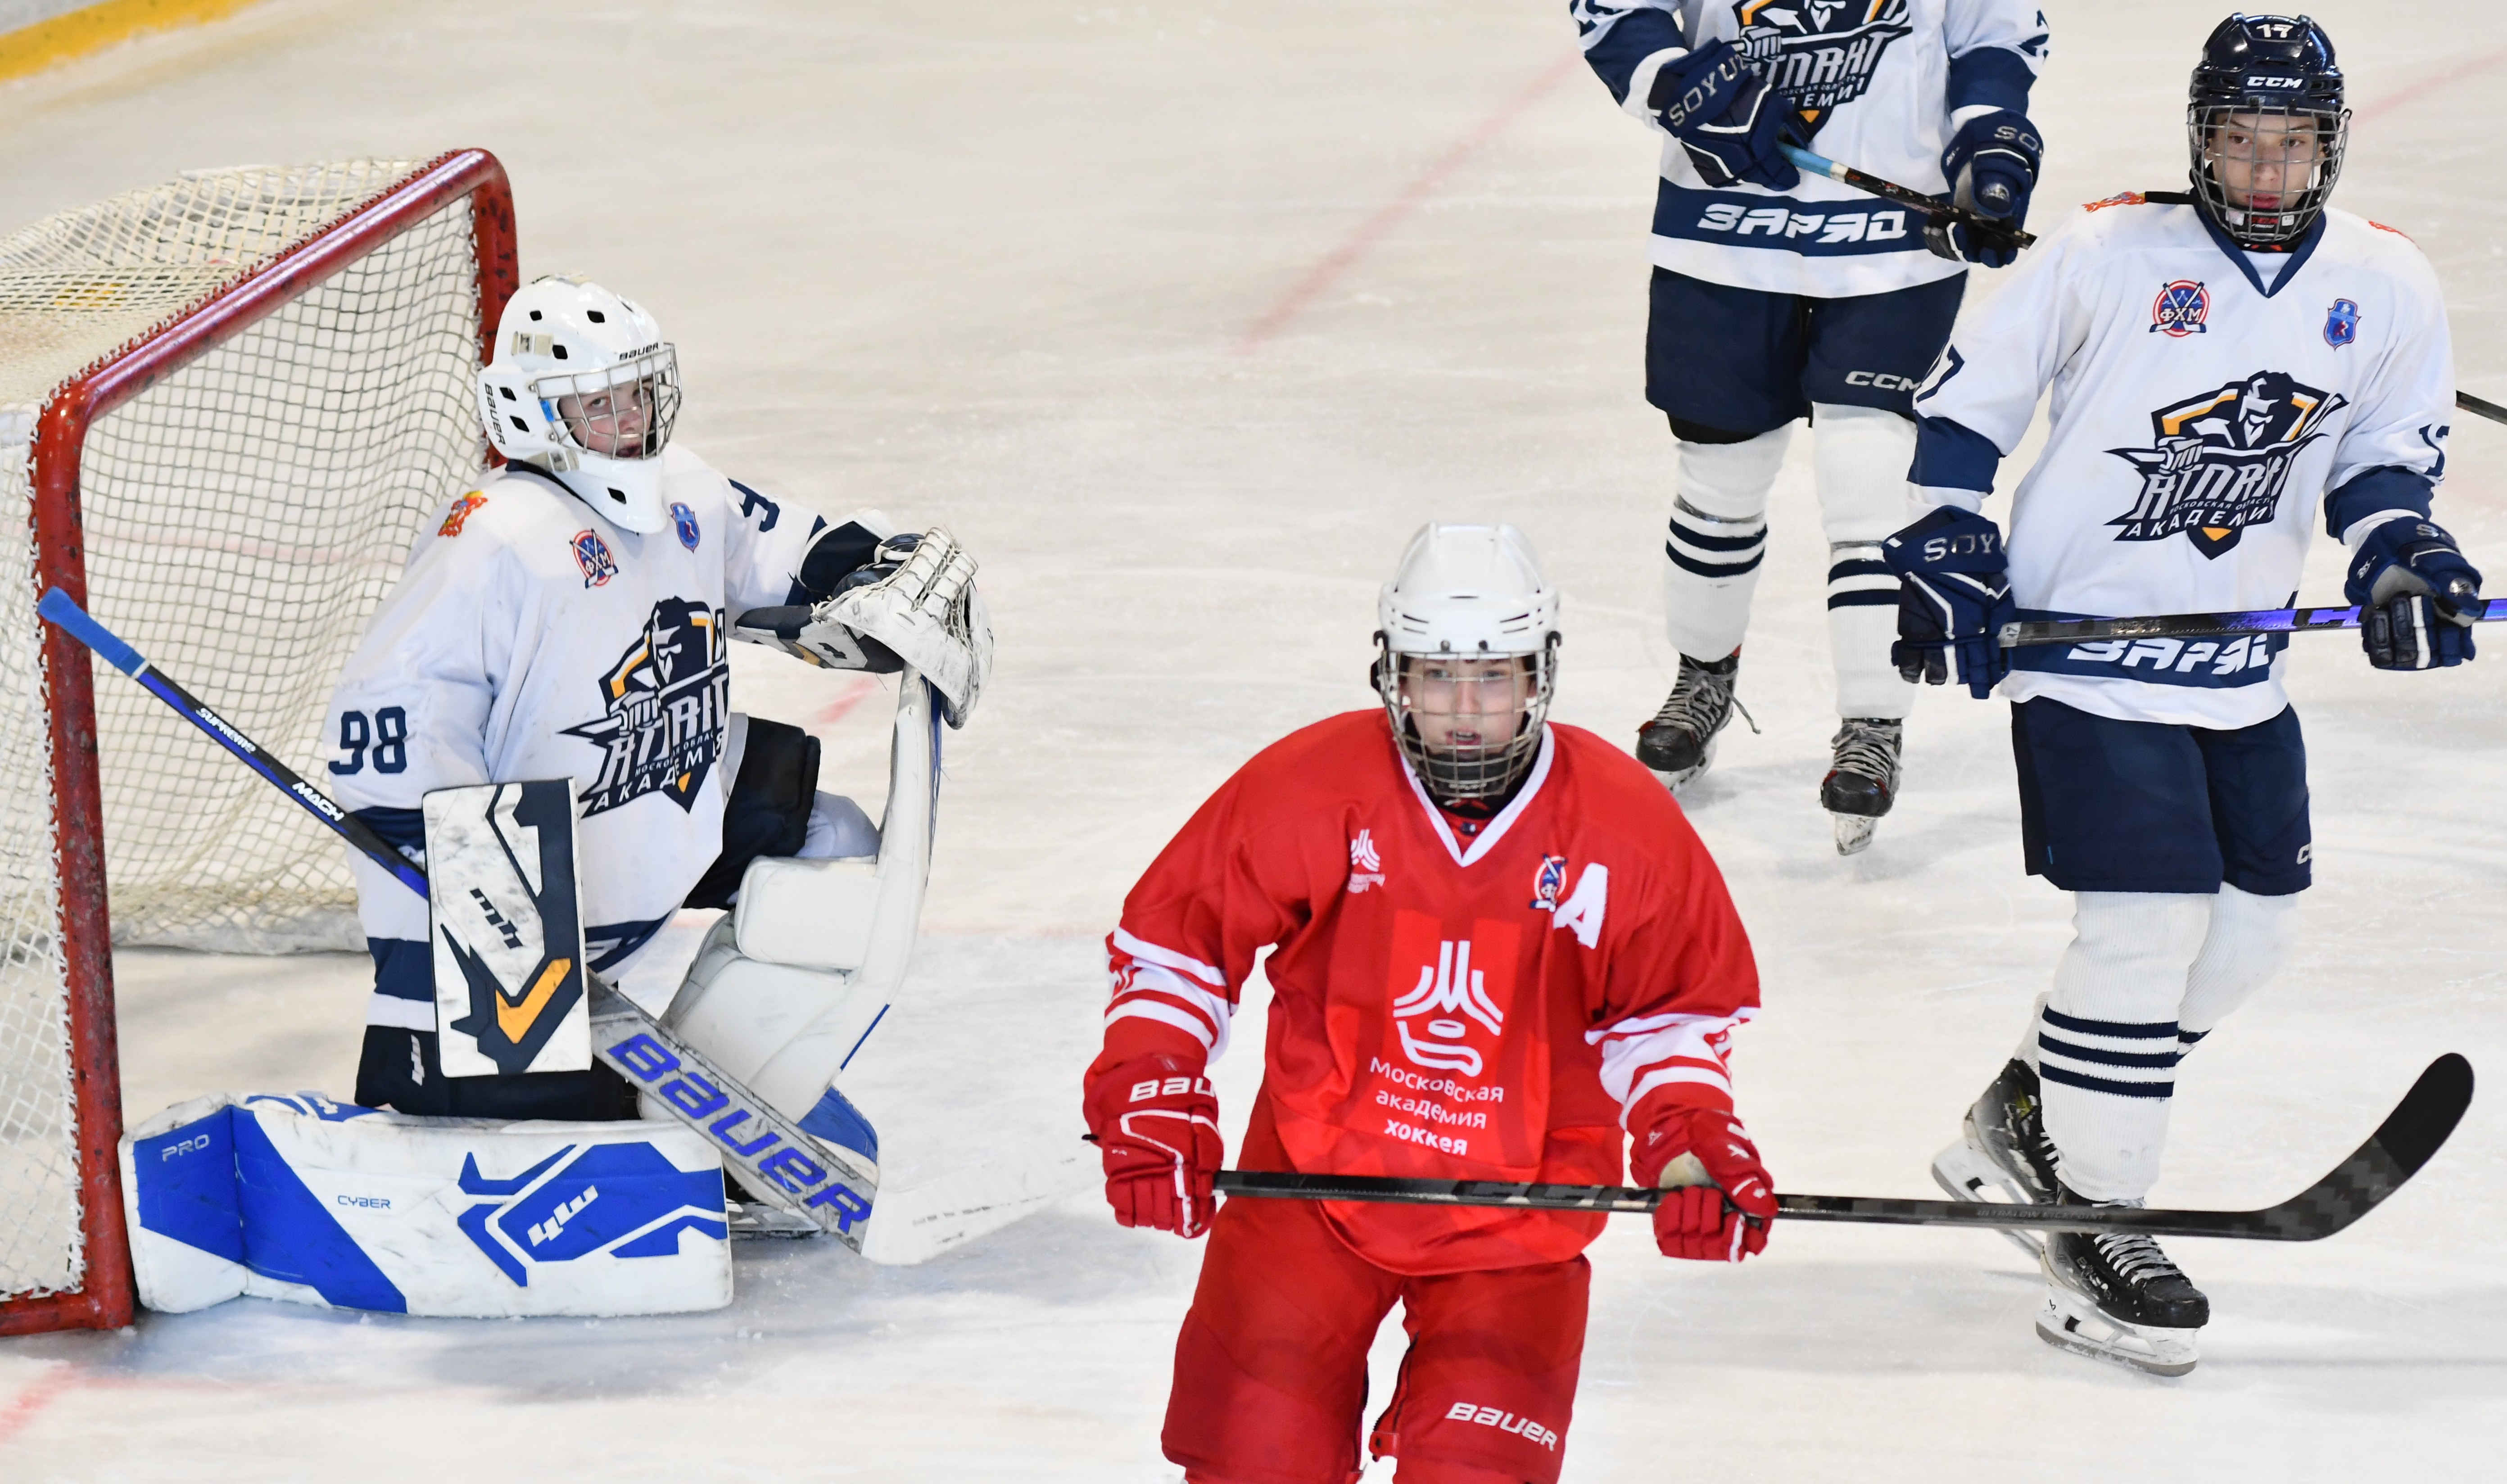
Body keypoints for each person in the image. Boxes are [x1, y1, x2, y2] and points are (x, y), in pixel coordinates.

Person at [1893, 14, 2477, 1375]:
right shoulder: (2109, 251)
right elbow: (1971, 401)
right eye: (2239, 140)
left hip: (2236, 655)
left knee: (2255, 930)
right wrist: (1946, 534)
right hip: (2085, 640)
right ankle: (2094, 1223)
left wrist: (2405, 555)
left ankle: (2027, 1118)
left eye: (2292, 144)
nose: (2266, 172)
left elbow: (2385, 456)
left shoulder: (2385, 279)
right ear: (2199, 138)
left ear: (2329, 146)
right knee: (2147, 923)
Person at [1081, 524, 1773, 1483]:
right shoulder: (1313, 788)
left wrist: (1689, 1138)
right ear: (1392, 675)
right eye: (1435, 676)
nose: (1462, 710)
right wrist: (1153, 1080)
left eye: (1493, 677)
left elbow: (1671, 1016)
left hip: (1522, 1213)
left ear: (1540, 677)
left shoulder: (1625, 829)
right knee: (1252, 1459)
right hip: (1314, 1183)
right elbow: (1178, 942)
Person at [325, 273, 929, 1157]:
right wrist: (469, 866)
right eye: (600, 405)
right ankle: (465, 1076)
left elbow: (784, 548)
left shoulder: (685, 489)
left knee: (837, 846)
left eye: (640, 394)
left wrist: (880, 565)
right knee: (522, 1091)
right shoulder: (495, 537)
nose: (631, 422)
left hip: (670, 787)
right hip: (540, 856)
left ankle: (744, 1066)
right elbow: (390, 710)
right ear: (529, 413)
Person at [1570, 0, 2051, 853]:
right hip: (1721, 233)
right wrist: (1676, 84)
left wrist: (1991, 139)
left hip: (1895, 249)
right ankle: (1703, 677)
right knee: (1720, 481)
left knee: (1870, 485)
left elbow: (1993, 31)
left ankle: (1872, 721)